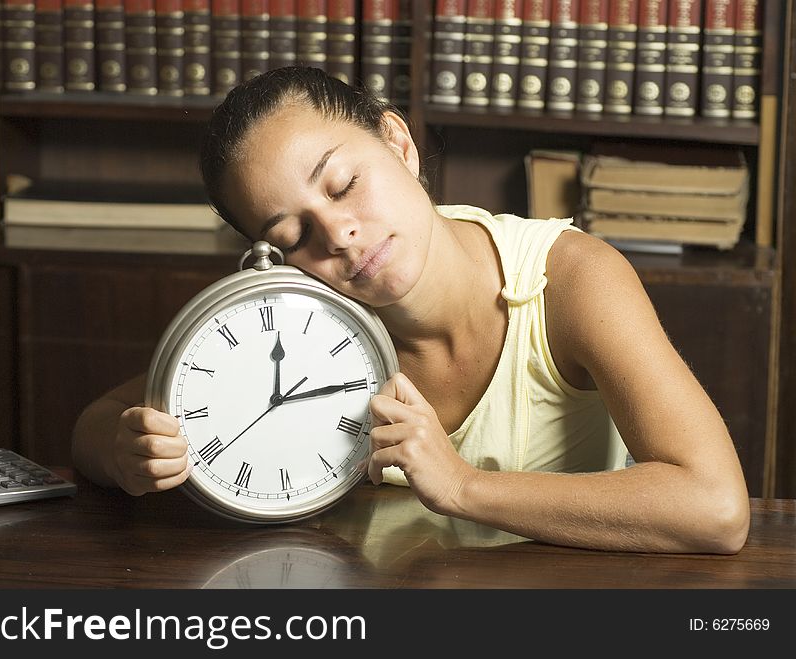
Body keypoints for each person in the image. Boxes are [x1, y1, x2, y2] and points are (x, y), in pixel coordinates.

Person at [71, 66, 749, 554]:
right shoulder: (298, 320)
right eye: (293, 236)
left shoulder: (568, 278)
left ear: (398, 142)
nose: (338, 234)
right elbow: (97, 424)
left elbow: (715, 507)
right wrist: (127, 451)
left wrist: (461, 486)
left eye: (344, 184)